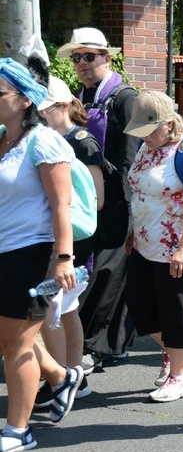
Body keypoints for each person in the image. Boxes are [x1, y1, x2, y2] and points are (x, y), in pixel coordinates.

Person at [0, 58, 84, 452]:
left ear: (23, 99)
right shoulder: (2, 138)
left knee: (17, 343)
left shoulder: (45, 141)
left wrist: (63, 258)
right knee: (11, 338)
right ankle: (60, 377)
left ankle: (18, 431)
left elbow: (61, 206)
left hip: (32, 254)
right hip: (3, 251)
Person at [122, 91, 183, 402]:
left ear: (168, 124)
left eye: (149, 130)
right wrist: (134, 231)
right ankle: (179, 353)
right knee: (140, 308)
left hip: (177, 245)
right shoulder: (147, 147)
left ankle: (181, 375)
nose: (144, 137)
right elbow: (140, 191)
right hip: (146, 242)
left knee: (175, 310)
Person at [57, 27, 138, 369]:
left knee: (108, 274)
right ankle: (106, 344)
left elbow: (131, 154)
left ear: (107, 57)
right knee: (97, 273)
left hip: (116, 200)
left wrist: (122, 200)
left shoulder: (124, 97)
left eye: (89, 56)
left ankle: (96, 346)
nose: (82, 64)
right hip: (88, 198)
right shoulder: (80, 95)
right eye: (77, 58)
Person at [35, 76, 105, 407]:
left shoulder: (79, 142)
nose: (39, 117)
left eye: (44, 110)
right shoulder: (58, 139)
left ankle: (61, 379)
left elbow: (96, 199)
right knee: (67, 309)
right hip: (67, 238)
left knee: (53, 312)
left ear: (63, 106)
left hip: (66, 239)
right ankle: (75, 376)